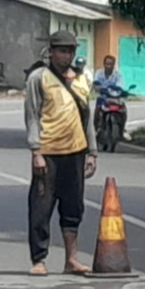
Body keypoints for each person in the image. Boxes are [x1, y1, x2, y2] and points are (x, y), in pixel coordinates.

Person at [23, 30, 97, 275]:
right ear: (51, 52)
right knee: (41, 207)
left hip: (75, 152)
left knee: (73, 206)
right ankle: (39, 259)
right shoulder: (38, 78)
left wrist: (92, 152)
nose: (67, 56)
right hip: (48, 152)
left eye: (71, 51)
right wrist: (36, 151)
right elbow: (32, 116)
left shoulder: (82, 79)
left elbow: (87, 118)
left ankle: (71, 259)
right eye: (62, 51)